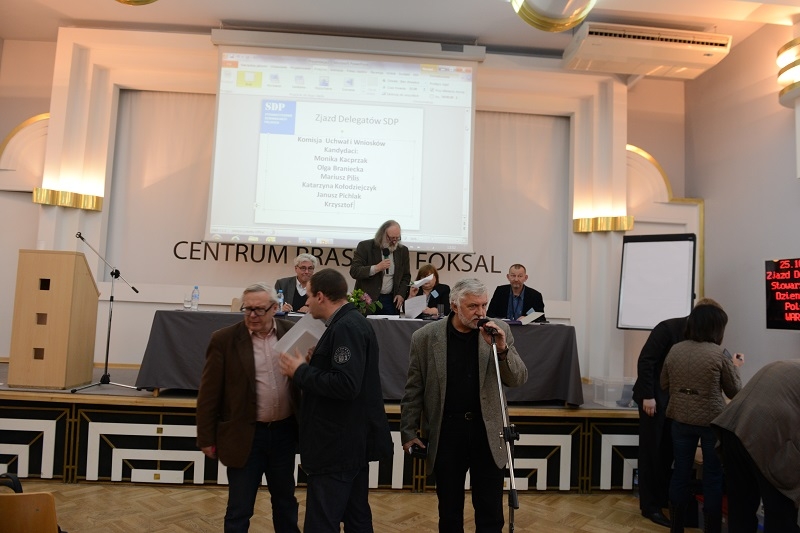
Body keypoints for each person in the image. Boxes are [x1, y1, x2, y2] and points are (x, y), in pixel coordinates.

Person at [400, 278, 528, 532]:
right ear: (454, 306)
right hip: (447, 432)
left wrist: (502, 349)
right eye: (473, 306)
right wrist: (408, 430)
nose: (480, 312)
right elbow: (414, 388)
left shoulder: (498, 331)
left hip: (487, 432)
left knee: (491, 513)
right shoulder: (425, 337)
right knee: (449, 512)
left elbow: (518, 379)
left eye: (484, 305)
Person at [278, 268, 393, 532]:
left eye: (309, 296)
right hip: (348, 443)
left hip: (337, 446)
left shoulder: (346, 327)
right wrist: (315, 364)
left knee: (322, 522)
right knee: (356, 519)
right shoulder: (348, 323)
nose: (306, 303)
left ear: (320, 296)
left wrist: (300, 371)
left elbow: (346, 384)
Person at [196, 282, 300, 533]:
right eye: (247, 309)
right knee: (239, 507)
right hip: (245, 435)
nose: (252, 315)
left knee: (285, 502)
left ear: (274, 308)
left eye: (259, 309)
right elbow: (209, 393)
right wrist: (206, 438)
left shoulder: (291, 333)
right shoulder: (224, 339)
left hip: (284, 434)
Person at [660, 303, 743, 533]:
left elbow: (664, 383)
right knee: (713, 477)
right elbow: (734, 391)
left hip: (679, 419)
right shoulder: (719, 354)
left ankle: (676, 528)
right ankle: (711, 529)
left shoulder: (675, 350)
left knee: (680, 472)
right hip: (711, 423)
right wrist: (735, 366)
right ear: (716, 328)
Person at [711, 359, 800, 533]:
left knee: (741, 509)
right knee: (780, 513)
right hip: (765, 433)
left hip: (732, 426)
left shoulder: (787, 364)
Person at [632, 313, 690, 527]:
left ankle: (660, 500)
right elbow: (646, 361)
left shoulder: (691, 332)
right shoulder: (666, 328)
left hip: (671, 402)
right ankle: (650, 506)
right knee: (651, 452)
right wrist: (648, 395)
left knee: (666, 452)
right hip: (653, 400)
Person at [349, 219, 411, 315]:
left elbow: (406, 276)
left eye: (397, 238)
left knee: (390, 325)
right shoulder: (365, 247)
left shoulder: (403, 251)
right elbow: (354, 271)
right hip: (367, 300)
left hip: (390, 300)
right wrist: (376, 268)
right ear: (382, 235)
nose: (394, 241)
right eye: (391, 238)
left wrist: (401, 294)